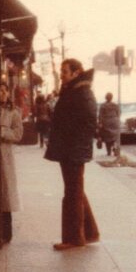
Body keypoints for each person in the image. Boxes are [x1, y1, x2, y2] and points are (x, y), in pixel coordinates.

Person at [44, 58, 100, 251]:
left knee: (72, 194)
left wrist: (70, 140)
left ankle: (75, 238)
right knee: (75, 190)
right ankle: (90, 232)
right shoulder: (74, 91)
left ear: (76, 73)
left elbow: (86, 123)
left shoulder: (81, 93)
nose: (62, 74)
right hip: (70, 148)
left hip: (73, 150)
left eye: (65, 71)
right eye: (61, 71)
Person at [0, 83, 23, 243]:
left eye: (4, 90)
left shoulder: (13, 112)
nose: (1, 94)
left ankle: (6, 232)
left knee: (5, 194)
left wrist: (2, 132)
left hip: (5, 155)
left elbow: (18, 134)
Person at [97, 92, 121, 156]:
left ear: (106, 98)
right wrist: (116, 119)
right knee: (115, 136)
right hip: (114, 121)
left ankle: (109, 152)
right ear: (112, 98)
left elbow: (100, 115)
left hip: (106, 122)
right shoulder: (115, 105)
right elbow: (119, 113)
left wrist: (100, 123)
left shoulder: (103, 105)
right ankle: (115, 146)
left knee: (107, 138)